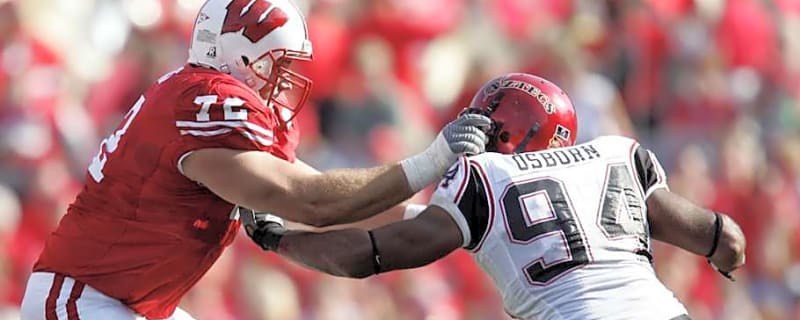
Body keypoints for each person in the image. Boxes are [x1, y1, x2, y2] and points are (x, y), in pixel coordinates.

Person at [18, 0, 490, 319]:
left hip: (123, 302)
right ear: (234, 57)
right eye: (272, 63)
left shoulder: (197, 99)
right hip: (84, 301)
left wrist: (443, 218)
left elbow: (331, 194)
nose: (282, 80)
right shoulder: (202, 102)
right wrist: (432, 160)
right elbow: (310, 203)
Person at [245, 73, 747, 320]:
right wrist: (726, 257)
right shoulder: (616, 155)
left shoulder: (484, 179)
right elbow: (724, 238)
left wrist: (278, 240)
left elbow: (365, 256)